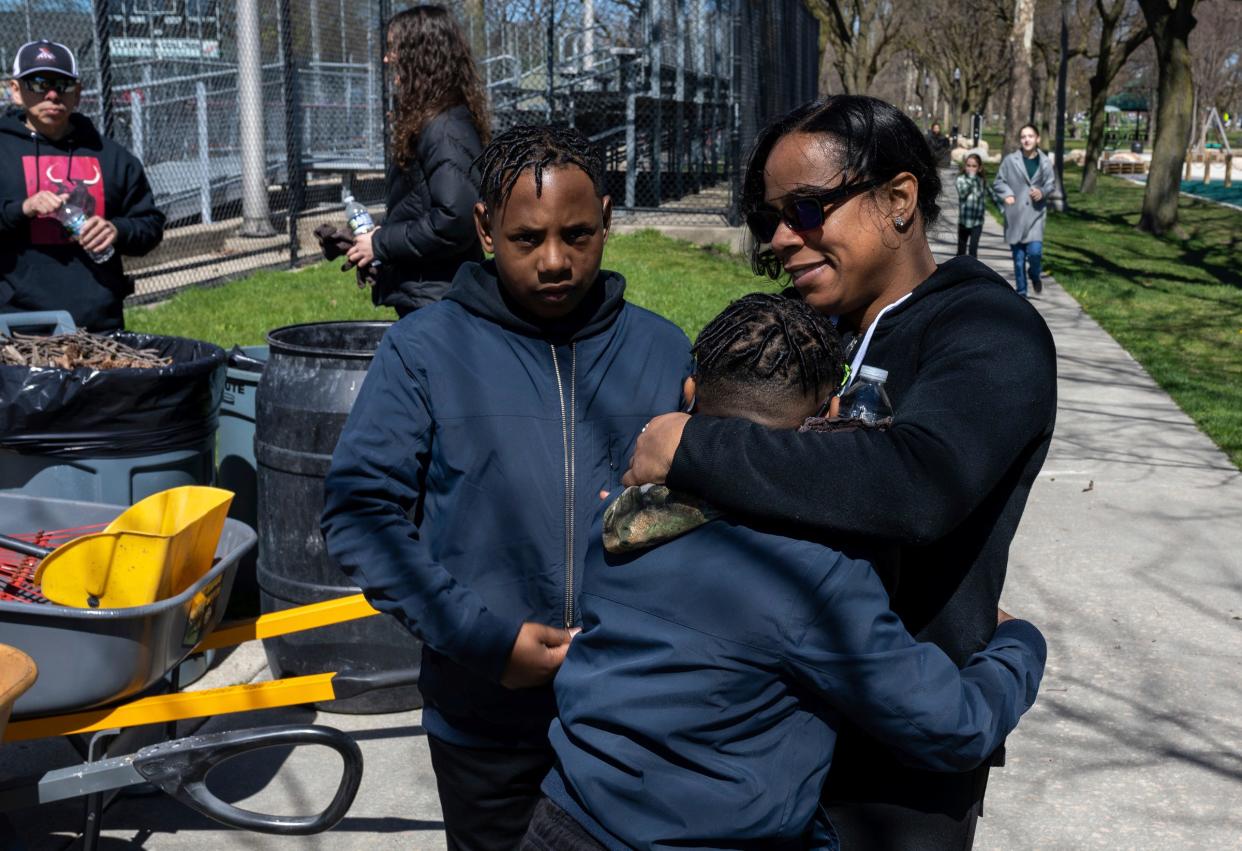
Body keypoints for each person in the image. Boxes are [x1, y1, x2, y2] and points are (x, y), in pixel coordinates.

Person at [622, 95, 1057, 850]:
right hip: (758, 747)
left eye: (810, 208)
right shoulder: (806, 328)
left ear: (898, 200)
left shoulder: (988, 331)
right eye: (771, 218)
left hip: (893, 775)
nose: (784, 238)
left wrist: (693, 446)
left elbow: (917, 481)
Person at [521, 293, 1048, 850]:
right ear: (824, 420)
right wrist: (1019, 646)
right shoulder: (809, 576)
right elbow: (949, 725)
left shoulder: (621, 516)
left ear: (691, 394)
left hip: (562, 819)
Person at [321, 125, 692, 850]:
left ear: (609, 219)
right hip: (483, 722)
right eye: (528, 239)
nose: (555, 260)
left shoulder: (663, 349)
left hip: (632, 719)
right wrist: (482, 639)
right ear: (485, 228)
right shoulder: (424, 348)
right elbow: (361, 512)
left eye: (579, 233)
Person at [1, 39, 164, 332]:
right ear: (15, 91)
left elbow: (150, 226)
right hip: (15, 329)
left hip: (98, 327)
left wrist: (118, 230)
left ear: (77, 93)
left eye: (62, 85)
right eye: (38, 83)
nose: (52, 94)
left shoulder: (112, 157)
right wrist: (21, 209)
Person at [342, 5, 489, 316]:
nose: (387, 58)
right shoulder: (433, 121)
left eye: (395, 48)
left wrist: (381, 244)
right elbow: (422, 208)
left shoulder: (445, 127)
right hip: (428, 295)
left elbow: (456, 220)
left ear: (422, 55)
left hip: (439, 301)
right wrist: (369, 243)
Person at [993, 124, 1056, 297]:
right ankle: (1022, 293)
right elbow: (999, 182)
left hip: (1036, 215)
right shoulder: (1010, 160)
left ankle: (1034, 274)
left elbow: (1051, 183)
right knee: (1018, 259)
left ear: (1037, 139)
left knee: (1035, 253)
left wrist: (1042, 191)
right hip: (1015, 216)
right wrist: (1007, 194)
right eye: (1023, 137)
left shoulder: (1044, 162)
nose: (1026, 139)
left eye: (1030, 136)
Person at [956, 152, 987, 258]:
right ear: (965, 167)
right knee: (961, 251)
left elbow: (991, 194)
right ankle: (959, 273)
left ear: (979, 168)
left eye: (974, 166)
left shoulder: (981, 180)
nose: (971, 168)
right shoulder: (961, 179)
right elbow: (963, 193)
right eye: (968, 166)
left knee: (973, 251)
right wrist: (971, 179)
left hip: (977, 222)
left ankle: (972, 273)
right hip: (964, 221)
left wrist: (1002, 206)